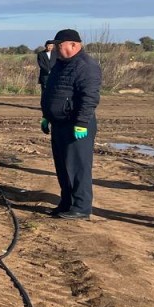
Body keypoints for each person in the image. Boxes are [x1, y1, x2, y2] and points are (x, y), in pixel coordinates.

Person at [40, 29, 101, 220]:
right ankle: (66, 202)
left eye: (60, 45)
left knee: (78, 166)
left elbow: (89, 98)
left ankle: (81, 207)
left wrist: (81, 122)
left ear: (74, 45)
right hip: (58, 124)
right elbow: (52, 92)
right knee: (62, 166)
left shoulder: (86, 66)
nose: (57, 49)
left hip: (76, 125)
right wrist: (46, 116)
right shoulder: (60, 65)